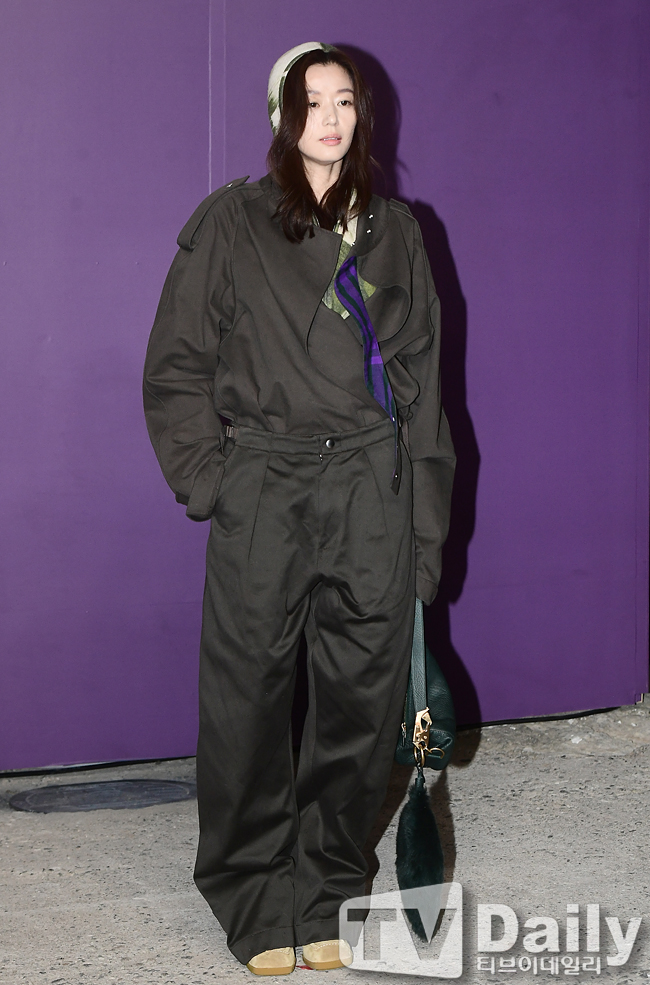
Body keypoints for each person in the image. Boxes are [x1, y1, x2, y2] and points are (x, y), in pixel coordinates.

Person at [143, 41, 455, 976]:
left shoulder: (398, 232)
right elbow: (177, 365)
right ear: (283, 117)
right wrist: (213, 479)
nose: (330, 118)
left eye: (345, 101)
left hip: (370, 490)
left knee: (360, 707)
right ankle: (249, 892)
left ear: (364, 116)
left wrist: (423, 534)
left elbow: (425, 396)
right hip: (268, 486)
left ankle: (325, 887)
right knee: (247, 702)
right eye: (311, 101)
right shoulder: (233, 222)